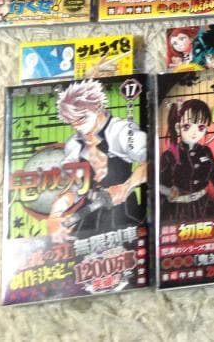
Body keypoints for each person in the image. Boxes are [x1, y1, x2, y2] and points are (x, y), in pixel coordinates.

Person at [49, 80, 147, 241]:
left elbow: (152, 161)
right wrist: (55, 214)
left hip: (123, 212)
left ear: (97, 107)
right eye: (72, 122)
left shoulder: (121, 131)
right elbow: (72, 188)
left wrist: (127, 186)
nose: (77, 127)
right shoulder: (74, 144)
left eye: (81, 118)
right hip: (88, 216)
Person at [159, 99, 214, 221]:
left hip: (205, 205)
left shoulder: (205, 151)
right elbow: (157, 184)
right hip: (178, 210)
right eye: (187, 126)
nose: (194, 132)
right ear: (178, 127)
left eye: (201, 127)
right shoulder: (169, 155)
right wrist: (169, 193)